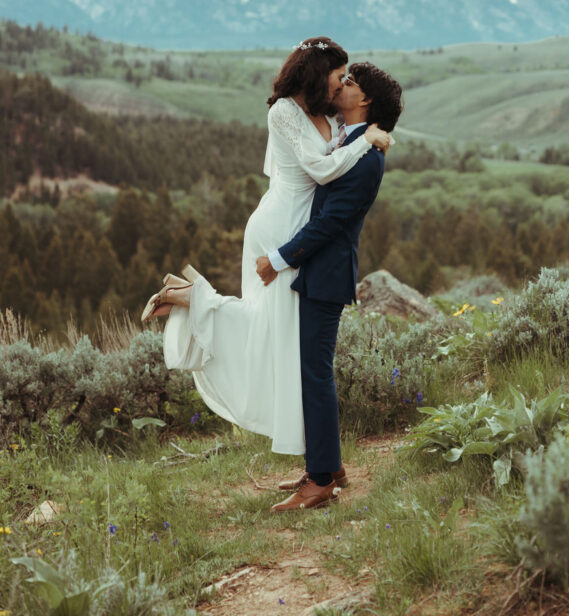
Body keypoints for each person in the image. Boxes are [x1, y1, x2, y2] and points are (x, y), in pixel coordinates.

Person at [141, 36, 390, 456]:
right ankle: (194, 299)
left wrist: (368, 134)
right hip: (279, 225)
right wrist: (368, 141)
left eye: (344, 79)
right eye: (336, 75)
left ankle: (192, 297)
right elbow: (321, 169)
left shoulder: (325, 112)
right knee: (269, 326)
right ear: (317, 73)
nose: (339, 84)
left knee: (275, 331)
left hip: (300, 224)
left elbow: (350, 132)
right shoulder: (283, 113)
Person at [256, 62, 404, 511]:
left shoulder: (367, 158)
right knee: (312, 371)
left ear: (366, 102)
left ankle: (320, 482)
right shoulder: (348, 137)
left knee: (315, 373)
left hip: (325, 274)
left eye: (351, 82)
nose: (342, 85)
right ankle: (330, 465)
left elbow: (330, 224)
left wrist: (278, 260)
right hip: (318, 272)